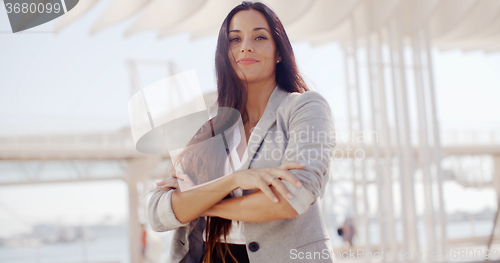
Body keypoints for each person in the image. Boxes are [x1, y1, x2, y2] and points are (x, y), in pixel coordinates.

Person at [149, 1, 336, 262]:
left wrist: (201, 203)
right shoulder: (209, 128)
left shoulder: (304, 107)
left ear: (279, 50)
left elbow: (295, 197)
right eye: (234, 39)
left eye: (259, 37)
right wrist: (233, 180)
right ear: (225, 54)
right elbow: (158, 213)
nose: (246, 46)